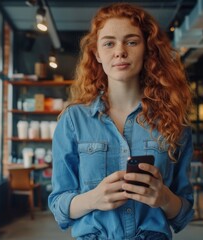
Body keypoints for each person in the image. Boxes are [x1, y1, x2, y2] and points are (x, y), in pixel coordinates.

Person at [48, 3, 194, 239]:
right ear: (96, 53)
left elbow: (184, 213)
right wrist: (93, 199)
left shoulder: (174, 120)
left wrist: (164, 198)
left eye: (131, 41)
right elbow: (58, 206)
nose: (120, 51)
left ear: (147, 49)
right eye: (109, 43)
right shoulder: (73, 120)